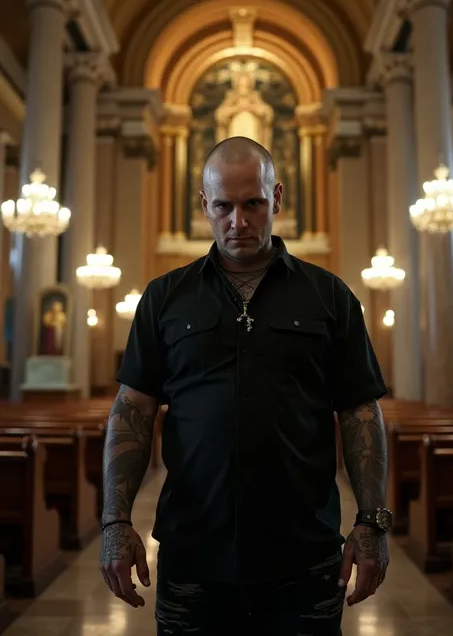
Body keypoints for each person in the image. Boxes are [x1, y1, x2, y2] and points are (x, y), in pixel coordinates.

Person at [99, 136, 391, 636]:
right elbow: (133, 410)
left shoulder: (330, 296)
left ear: (276, 198)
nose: (239, 221)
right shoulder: (165, 297)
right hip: (195, 552)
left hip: (304, 552)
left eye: (253, 203)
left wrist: (372, 523)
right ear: (204, 205)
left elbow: (359, 411)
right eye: (224, 206)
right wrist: (114, 523)